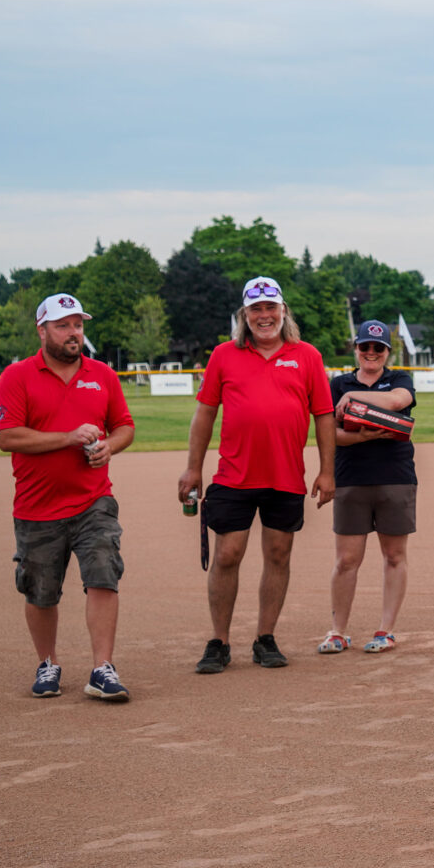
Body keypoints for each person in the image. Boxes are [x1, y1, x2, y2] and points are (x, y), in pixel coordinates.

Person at [179, 276, 335, 675]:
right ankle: (219, 641)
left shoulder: (307, 357)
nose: (264, 316)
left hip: (285, 476)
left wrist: (327, 471)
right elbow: (205, 414)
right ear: (244, 315)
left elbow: (323, 416)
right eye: (256, 309)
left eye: (271, 307)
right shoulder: (223, 356)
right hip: (234, 475)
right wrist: (194, 467)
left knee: (278, 554)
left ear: (283, 311)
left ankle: (265, 637)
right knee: (228, 555)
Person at [0, 293, 134, 701]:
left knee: (104, 573)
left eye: (78, 325)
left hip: (94, 501)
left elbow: (124, 425)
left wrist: (111, 445)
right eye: (63, 325)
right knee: (40, 590)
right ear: (42, 331)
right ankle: (48, 664)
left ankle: (102, 668)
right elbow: (7, 437)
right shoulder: (17, 376)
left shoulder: (102, 375)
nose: (73, 333)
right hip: (37, 506)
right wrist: (68, 438)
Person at [321, 320, 417, 655]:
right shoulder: (338, 382)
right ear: (356, 349)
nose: (371, 353)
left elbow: (397, 402)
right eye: (365, 347)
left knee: (394, 555)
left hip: (395, 476)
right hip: (351, 478)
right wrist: (362, 435)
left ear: (388, 351)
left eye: (378, 348)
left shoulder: (398, 379)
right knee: (346, 559)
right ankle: (337, 631)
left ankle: (385, 630)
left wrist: (353, 397)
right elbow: (329, 432)